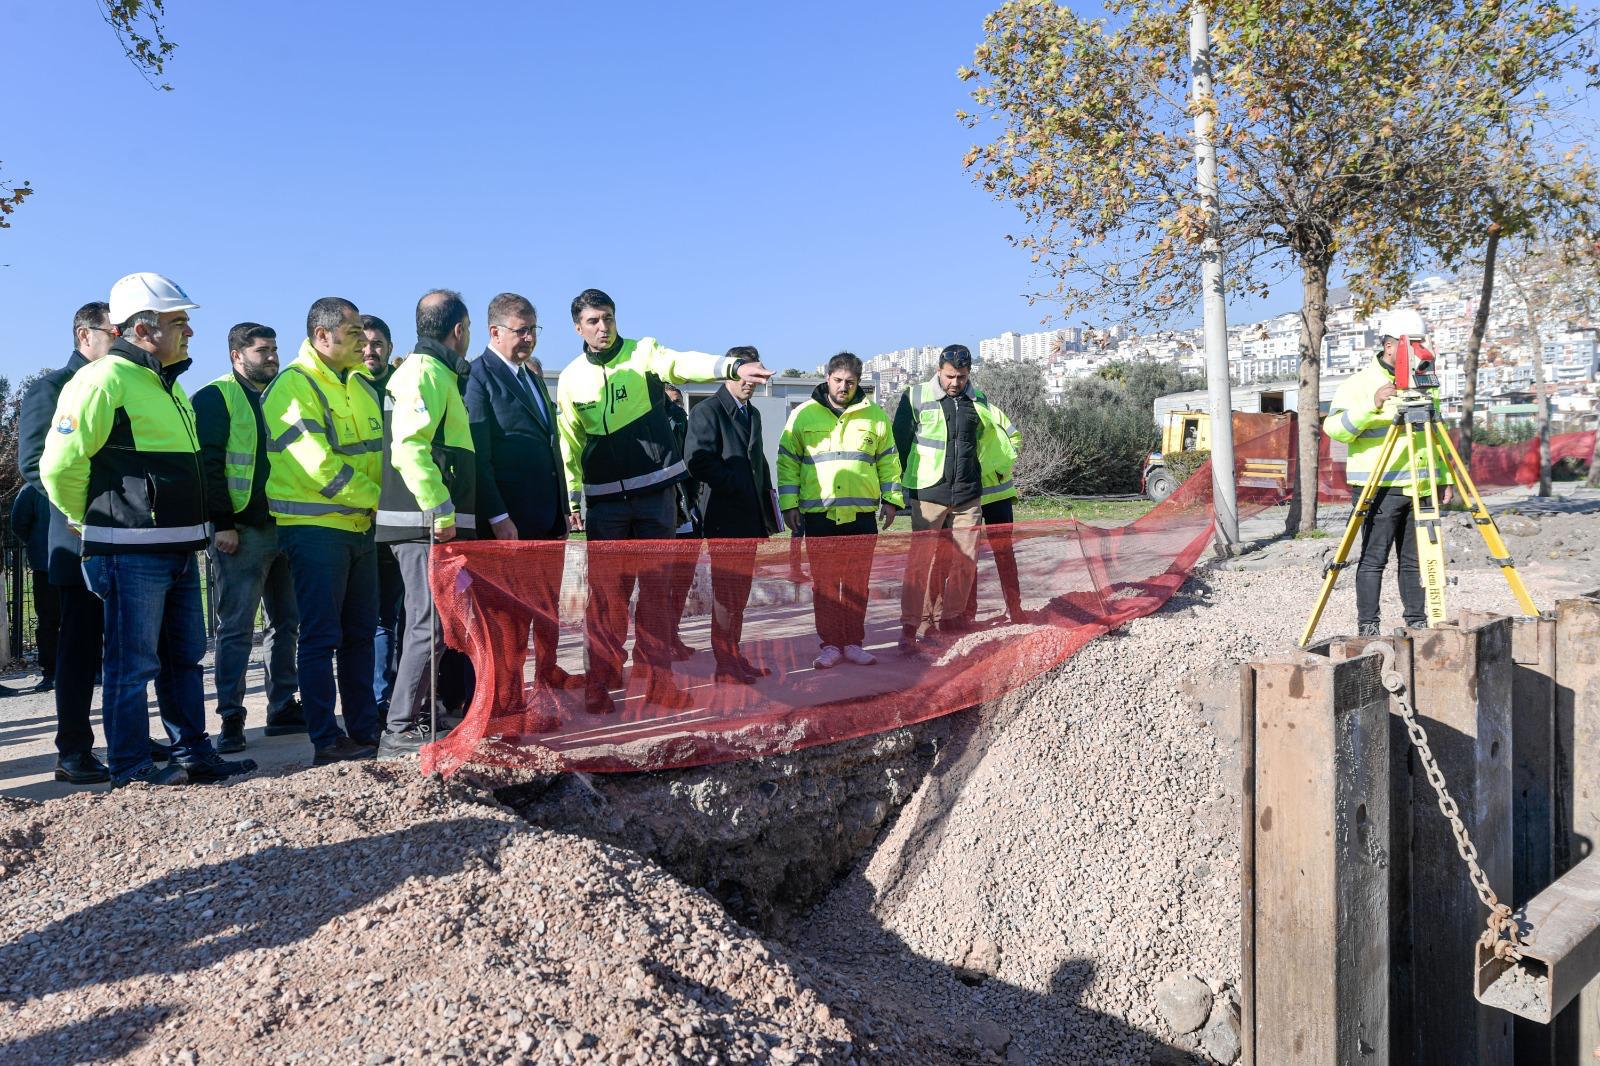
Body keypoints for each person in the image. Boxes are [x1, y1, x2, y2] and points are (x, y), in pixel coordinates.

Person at [41, 273, 256, 788]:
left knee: (183, 659)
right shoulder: (102, 380)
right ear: (143, 327)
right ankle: (133, 769)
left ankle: (192, 754)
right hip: (129, 550)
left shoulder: (168, 385)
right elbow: (58, 465)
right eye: (179, 320)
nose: (189, 331)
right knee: (131, 665)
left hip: (177, 547)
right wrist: (87, 522)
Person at [555, 288, 773, 715]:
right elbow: (569, 443)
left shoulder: (643, 354)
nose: (603, 327)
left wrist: (729, 365)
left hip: (656, 498)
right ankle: (600, 681)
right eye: (594, 321)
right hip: (605, 505)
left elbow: (682, 362)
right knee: (607, 601)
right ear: (577, 327)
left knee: (657, 599)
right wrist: (573, 496)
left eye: (609, 318)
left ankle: (658, 684)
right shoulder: (570, 378)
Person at [262, 296, 384, 764]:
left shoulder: (360, 383)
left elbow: (379, 453)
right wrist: (380, 499)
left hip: (359, 527)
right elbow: (317, 464)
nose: (363, 340)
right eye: (353, 333)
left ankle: (364, 731)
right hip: (315, 529)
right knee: (319, 637)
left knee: (359, 633)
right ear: (322, 336)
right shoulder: (292, 386)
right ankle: (325, 740)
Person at [18, 302, 125, 783]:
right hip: (79, 538)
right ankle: (74, 750)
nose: (121, 339)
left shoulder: (124, 384)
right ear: (86, 335)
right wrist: (88, 512)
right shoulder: (50, 388)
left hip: (128, 540)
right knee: (79, 649)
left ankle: (128, 737)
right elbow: (36, 464)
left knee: (129, 646)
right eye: (113, 331)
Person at [192, 322, 304, 754]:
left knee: (287, 623)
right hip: (241, 532)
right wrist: (221, 523)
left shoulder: (284, 397)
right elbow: (210, 466)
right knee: (236, 628)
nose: (272, 357)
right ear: (237, 356)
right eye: (263, 350)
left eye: (275, 349)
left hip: (286, 526)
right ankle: (231, 718)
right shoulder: (216, 397)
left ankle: (281, 706)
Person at [376, 290, 478, 758]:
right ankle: (400, 728)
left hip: (425, 521)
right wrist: (440, 510)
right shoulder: (424, 372)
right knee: (427, 625)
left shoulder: (433, 372)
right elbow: (410, 448)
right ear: (459, 330)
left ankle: (417, 720)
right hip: (421, 523)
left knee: (430, 624)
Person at [465, 292, 575, 691]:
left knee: (547, 608)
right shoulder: (478, 376)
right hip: (509, 522)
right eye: (520, 330)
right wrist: (498, 516)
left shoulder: (531, 376)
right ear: (495, 332)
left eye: (533, 329)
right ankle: (507, 693)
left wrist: (562, 508)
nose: (529, 337)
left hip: (546, 519)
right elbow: (480, 455)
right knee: (510, 617)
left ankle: (547, 677)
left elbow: (550, 446)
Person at [1324, 308, 1455, 636]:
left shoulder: (1425, 381)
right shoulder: (1359, 384)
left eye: (1422, 343)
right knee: (1373, 560)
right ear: (1389, 346)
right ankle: (1368, 626)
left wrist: (1444, 477)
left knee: (1415, 561)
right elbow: (1335, 429)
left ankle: (1417, 623)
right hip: (1376, 486)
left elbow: (1434, 435)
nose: (1419, 351)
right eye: (1413, 343)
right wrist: (1373, 403)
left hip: (1419, 484)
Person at [777, 353, 903, 670]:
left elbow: (889, 461)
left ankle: (853, 643)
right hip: (819, 516)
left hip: (861, 516)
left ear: (858, 383)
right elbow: (787, 463)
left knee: (858, 583)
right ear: (827, 377)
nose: (843, 387)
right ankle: (830, 644)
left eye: (850, 382)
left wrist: (891, 500)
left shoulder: (874, 415)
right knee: (826, 584)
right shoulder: (803, 415)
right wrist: (789, 505)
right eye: (838, 380)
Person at [893, 344, 1016, 653]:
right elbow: (898, 447)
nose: (955, 383)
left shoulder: (979, 399)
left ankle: (950, 621)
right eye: (949, 376)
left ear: (968, 373)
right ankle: (912, 626)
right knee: (922, 562)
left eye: (961, 377)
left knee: (965, 560)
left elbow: (994, 440)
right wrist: (900, 492)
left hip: (968, 496)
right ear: (938, 370)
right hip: (928, 494)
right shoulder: (914, 396)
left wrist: (994, 471)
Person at [685, 346, 780, 683]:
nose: (752, 382)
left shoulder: (751, 414)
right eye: (747, 374)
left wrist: (771, 511)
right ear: (731, 371)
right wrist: (735, 483)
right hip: (725, 516)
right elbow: (696, 460)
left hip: (750, 517)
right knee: (727, 595)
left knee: (739, 594)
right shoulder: (708, 412)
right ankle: (724, 665)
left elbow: (759, 464)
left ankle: (734, 656)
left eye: (758, 375)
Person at [360, 314, 405, 722]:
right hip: (361, 517)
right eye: (364, 343)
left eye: (378, 343)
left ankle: (401, 697)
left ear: (390, 347)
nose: (370, 351)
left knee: (402, 613)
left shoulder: (403, 384)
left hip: (403, 516)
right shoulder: (348, 388)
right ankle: (377, 698)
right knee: (374, 618)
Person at [661, 382, 700, 661]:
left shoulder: (682, 422)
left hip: (688, 514)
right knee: (660, 585)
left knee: (681, 583)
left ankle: (672, 635)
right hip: (662, 516)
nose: (677, 410)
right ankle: (659, 640)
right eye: (671, 403)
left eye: (678, 403)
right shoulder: (660, 425)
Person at [10, 484, 58, 693]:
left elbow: (20, 524)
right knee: (50, 621)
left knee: (51, 622)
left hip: (47, 561)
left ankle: (53, 672)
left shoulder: (32, 488)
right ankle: (53, 671)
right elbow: (19, 523)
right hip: (49, 564)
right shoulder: (33, 489)